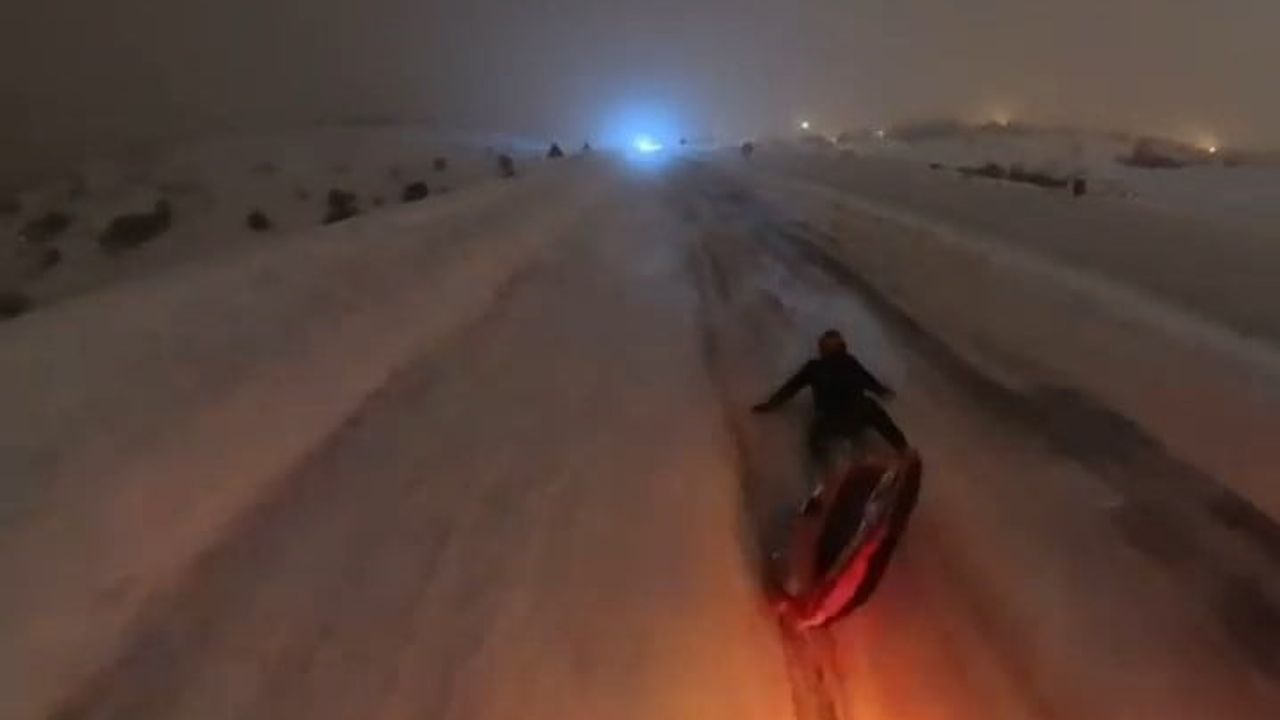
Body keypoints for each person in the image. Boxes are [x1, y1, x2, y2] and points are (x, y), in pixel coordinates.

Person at [752, 329, 909, 463]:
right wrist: (768, 405)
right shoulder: (828, 365)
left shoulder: (841, 363)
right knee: (869, 408)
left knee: (866, 409)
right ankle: (903, 450)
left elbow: (789, 389)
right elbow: (873, 385)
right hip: (840, 419)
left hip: (842, 419)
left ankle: (903, 451)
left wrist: (769, 405)